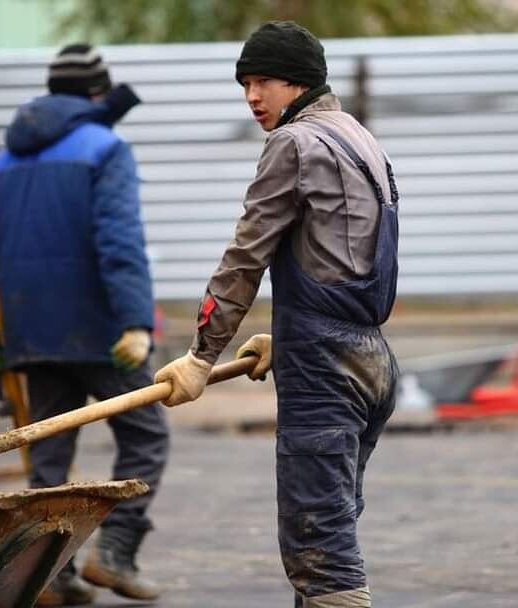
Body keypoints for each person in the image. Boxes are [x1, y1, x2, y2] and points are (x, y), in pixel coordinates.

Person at [154, 21, 399, 608]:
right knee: (328, 531)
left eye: (262, 81)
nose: (251, 97)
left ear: (299, 82)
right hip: (369, 360)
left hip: (325, 373)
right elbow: (343, 256)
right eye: (244, 83)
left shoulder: (293, 144)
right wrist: (284, 335)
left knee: (323, 555)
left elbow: (245, 257)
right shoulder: (358, 137)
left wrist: (200, 355)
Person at [0, 44, 167, 606]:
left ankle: (50, 574)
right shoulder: (105, 147)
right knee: (146, 435)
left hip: (29, 330)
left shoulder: (6, 160)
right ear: (96, 94)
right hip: (98, 331)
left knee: (49, 454)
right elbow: (119, 240)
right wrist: (135, 321)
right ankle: (115, 555)